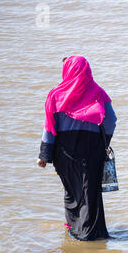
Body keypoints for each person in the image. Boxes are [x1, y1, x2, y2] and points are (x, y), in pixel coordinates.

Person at [37, 55, 117, 241]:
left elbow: (49, 126)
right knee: (90, 191)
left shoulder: (55, 94)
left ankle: (74, 230)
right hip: (91, 150)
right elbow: (111, 121)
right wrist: (103, 141)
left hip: (64, 151)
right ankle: (91, 233)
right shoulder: (98, 93)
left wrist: (44, 155)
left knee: (71, 190)